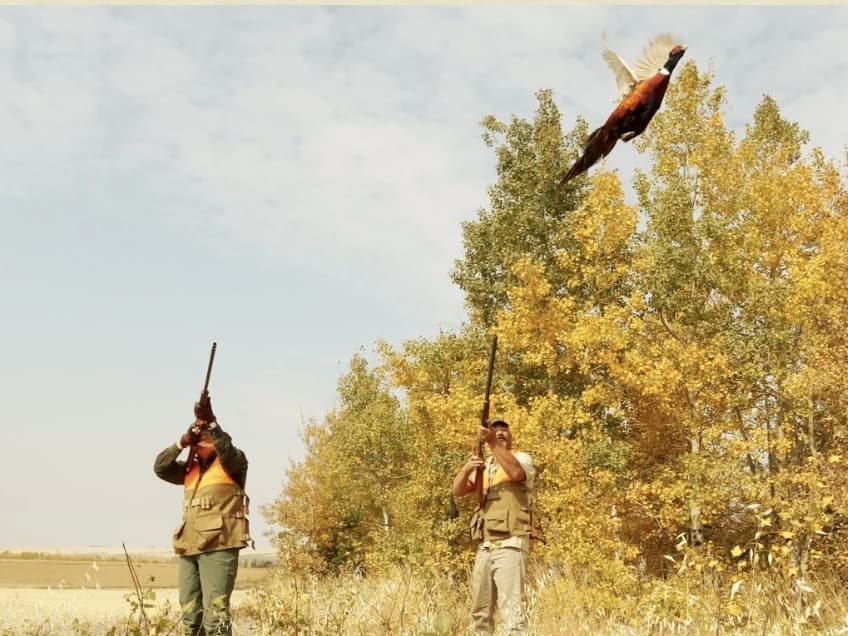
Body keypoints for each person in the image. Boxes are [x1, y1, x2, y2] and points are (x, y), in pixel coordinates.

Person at [154, 397, 252, 636]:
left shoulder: (233, 463)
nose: (203, 437)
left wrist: (212, 423)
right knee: (190, 617)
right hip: (190, 546)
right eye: (200, 434)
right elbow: (160, 468)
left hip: (219, 545)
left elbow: (227, 451)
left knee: (215, 618)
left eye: (206, 433)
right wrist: (182, 442)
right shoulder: (189, 469)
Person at [452, 417, 535, 636]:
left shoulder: (521, 458)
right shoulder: (485, 466)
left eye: (504, 430)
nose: (499, 433)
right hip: (485, 546)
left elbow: (517, 473)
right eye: (494, 430)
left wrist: (490, 443)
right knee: (480, 613)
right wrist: (467, 467)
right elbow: (458, 491)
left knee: (512, 614)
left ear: (511, 435)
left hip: (511, 543)